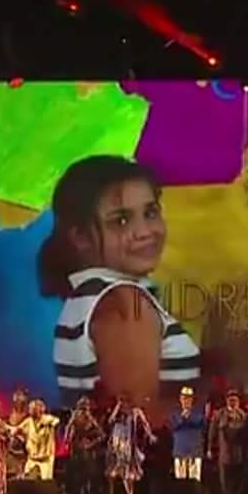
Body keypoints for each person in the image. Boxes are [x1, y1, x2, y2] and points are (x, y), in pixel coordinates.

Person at [38, 155, 200, 424]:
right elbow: (138, 417)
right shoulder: (122, 301)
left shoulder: (92, 295)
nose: (145, 232)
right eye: (121, 220)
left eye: (150, 213)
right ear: (80, 237)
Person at [105, 394, 157, 494]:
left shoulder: (135, 411)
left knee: (129, 473)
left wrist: (150, 435)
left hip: (129, 445)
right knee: (124, 473)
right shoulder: (119, 413)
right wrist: (117, 406)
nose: (125, 404)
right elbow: (110, 421)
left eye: (126, 402)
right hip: (118, 445)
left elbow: (145, 423)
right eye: (122, 402)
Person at [208, 389, 248, 494]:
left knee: (238, 476)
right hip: (225, 452)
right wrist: (209, 448)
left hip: (239, 452)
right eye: (230, 400)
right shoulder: (219, 414)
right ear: (226, 401)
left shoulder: (242, 415)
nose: (233, 402)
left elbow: (247, 433)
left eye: (235, 400)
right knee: (225, 478)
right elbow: (212, 432)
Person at [64, 396, 106, 494]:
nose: (83, 410)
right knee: (77, 473)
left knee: (89, 473)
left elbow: (102, 435)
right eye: (82, 407)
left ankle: (89, 493)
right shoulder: (75, 416)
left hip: (87, 450)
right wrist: (67, 440)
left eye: (85, 407)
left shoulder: (90, 418)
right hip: (76, 449)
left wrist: (91, 443)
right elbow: (68, 428)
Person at [170, 386, 206, 485]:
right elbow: (173, 426)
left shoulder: (198, 412)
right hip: (180, 451)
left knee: (195, 482)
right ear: (180, 399)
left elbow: (199, 422)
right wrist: (182, 417)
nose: (186, 400)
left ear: (192, 399)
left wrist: (188, 416)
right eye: (184, 398)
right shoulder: (175, 413)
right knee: (180, 482)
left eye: (189, 398)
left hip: (194, 451)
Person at [17, 399, 60, 481]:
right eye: (30, 408)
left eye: (32, 408)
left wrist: (45, 423)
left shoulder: (48, 419)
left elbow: (57, 421)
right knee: (29, 479)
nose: (30, 411)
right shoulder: (28, 421)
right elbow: (16, 430)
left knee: (45, 483)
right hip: (32, 459)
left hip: (45, 459)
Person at [5, 387, 29, 480]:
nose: (18, 398)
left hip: (23, 457)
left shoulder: (29, 419)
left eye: (21, 396)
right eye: (17, 395)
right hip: (9, 457)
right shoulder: (8, 418)